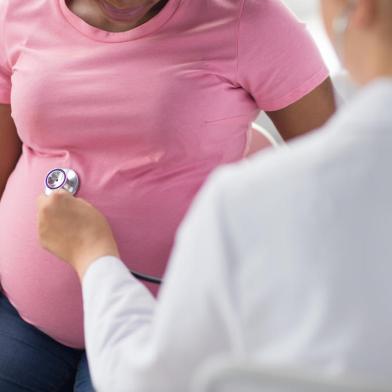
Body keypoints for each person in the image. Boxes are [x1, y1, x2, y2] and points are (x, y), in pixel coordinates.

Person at [38, 0, 392, 391]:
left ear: (360, 8)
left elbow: (148, 384)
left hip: (131, 336)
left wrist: (93, 255)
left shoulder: (247, 201)